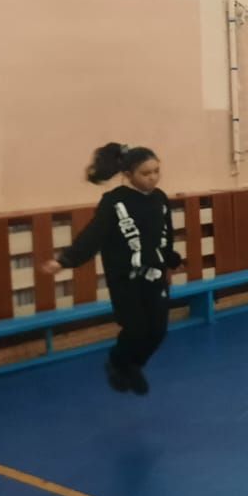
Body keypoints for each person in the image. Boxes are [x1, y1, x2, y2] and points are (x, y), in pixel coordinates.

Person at [39, 143, 183, 395]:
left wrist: (171, 260)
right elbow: (93, 236)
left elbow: (165, 234)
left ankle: (133, 365)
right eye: (145, 173)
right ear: (128, 174)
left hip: (155, 276)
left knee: (157, 331)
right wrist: (64, 261)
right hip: (126, 279)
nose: (152, 178)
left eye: (156, 171)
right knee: (136, 330)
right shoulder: (114, 202)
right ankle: (118, 362)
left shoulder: (159, 199)